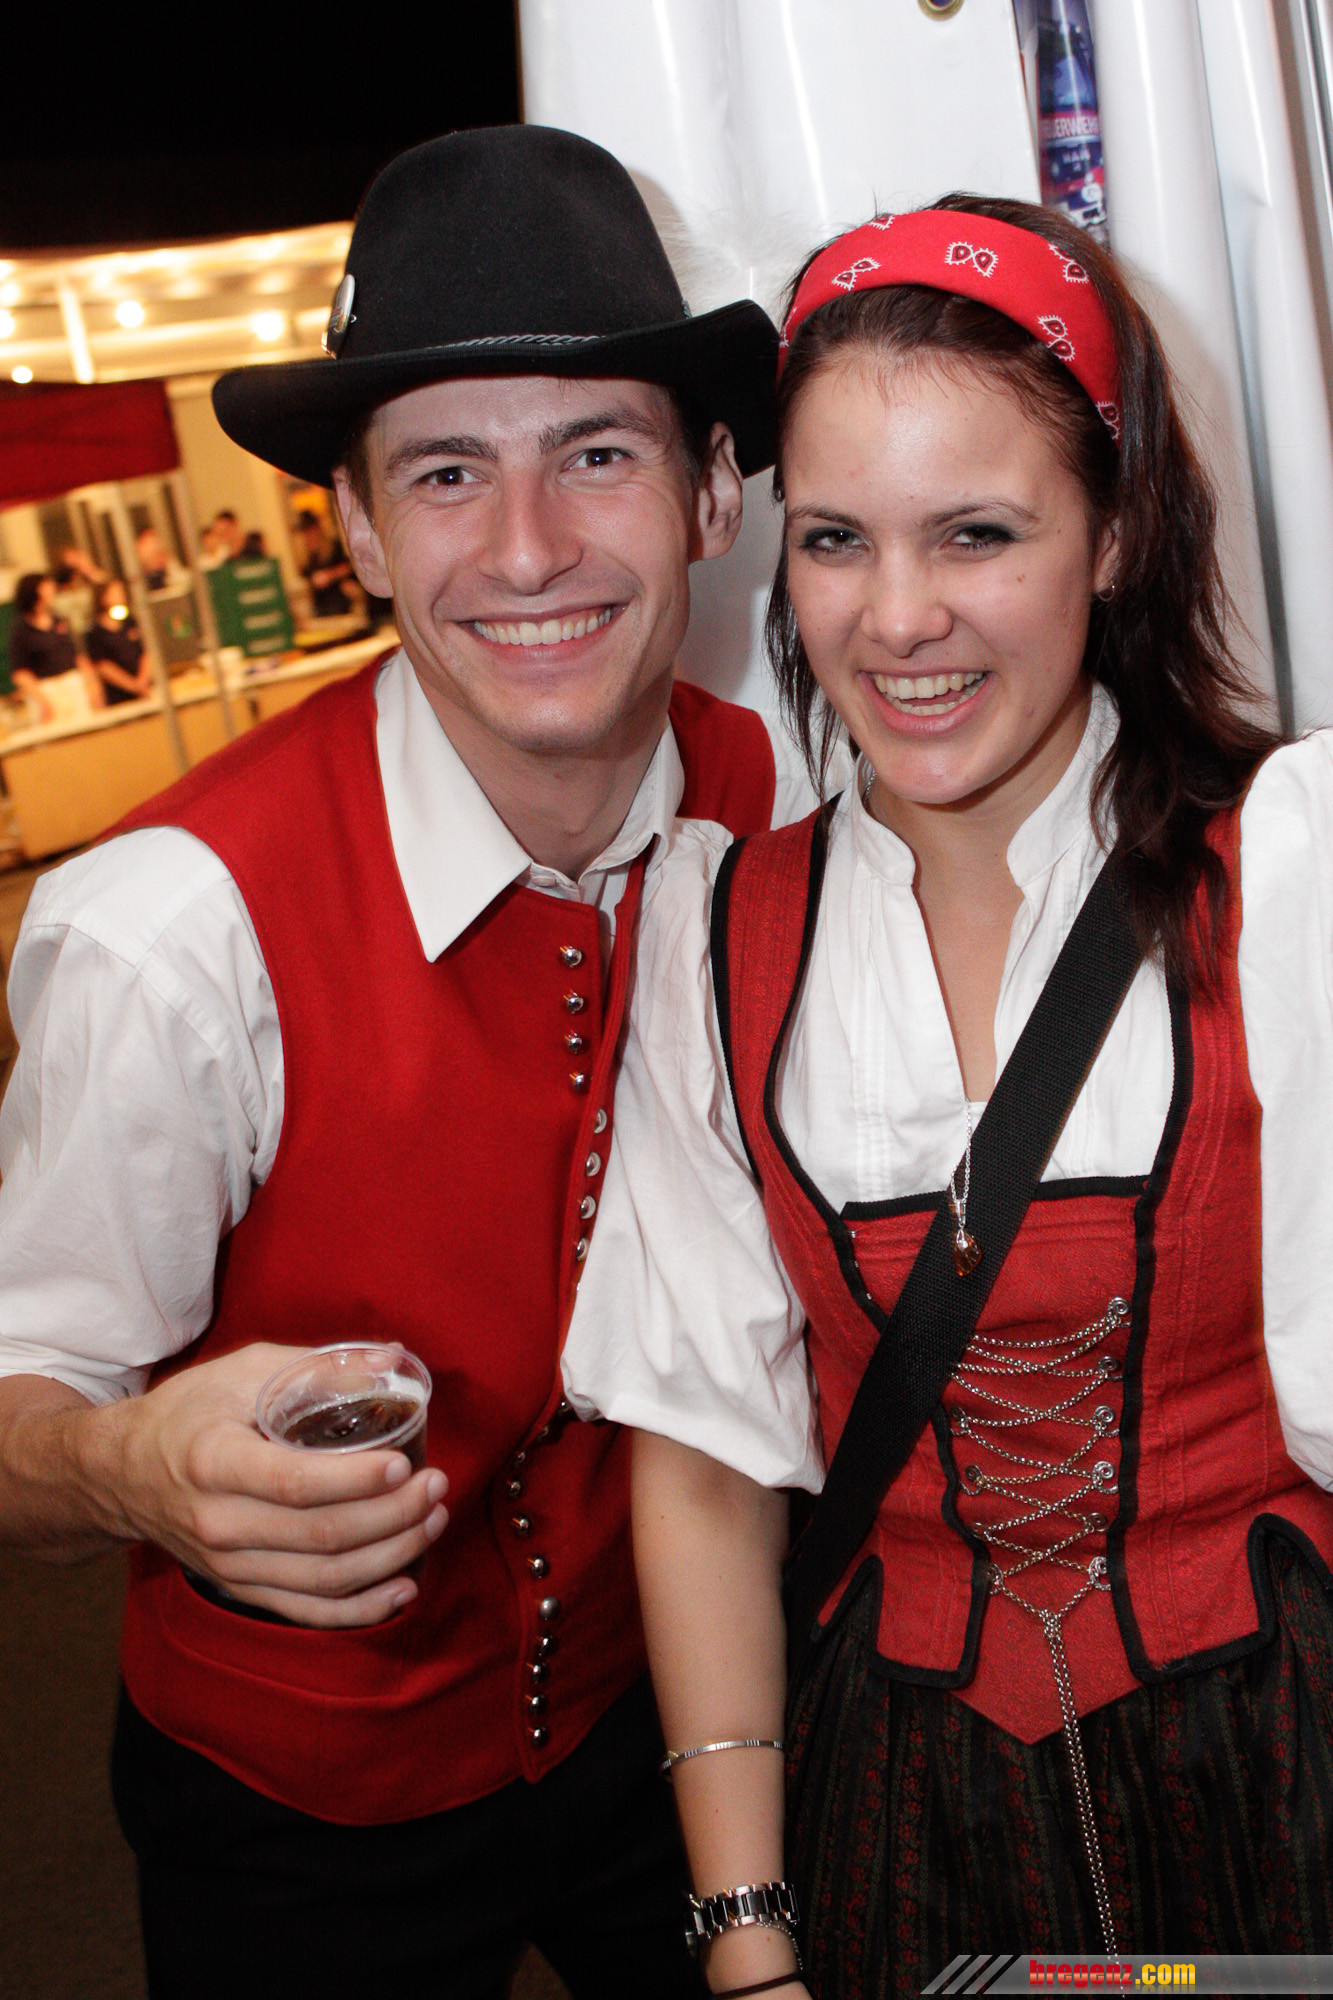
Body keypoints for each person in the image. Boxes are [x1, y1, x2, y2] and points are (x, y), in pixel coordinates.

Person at [0, 126, 818, 2000]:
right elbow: (14, 1402)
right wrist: (126, 1464)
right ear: (359, 533)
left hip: (668, 1713)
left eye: (595, 453)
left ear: (712, 492)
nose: (525, 548)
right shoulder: (173, 928)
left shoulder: (783, 798)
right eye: (445, 473)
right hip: (289, 1813)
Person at [562, 195, 1333, 1997]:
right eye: (835, 540)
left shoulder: (1292, 870)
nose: (897, 619)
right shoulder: (712, 937)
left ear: (1114, 532)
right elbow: (703, 1472)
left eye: (975, 532)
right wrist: (747, 1941)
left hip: (1284, 1767)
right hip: (910, 1810)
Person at [8, 571, 104, 720]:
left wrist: (93, 684)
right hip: (47, 690)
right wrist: (42, 700)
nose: (52, 590)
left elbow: (78, 655)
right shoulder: (21, 631)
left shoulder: (59, 621)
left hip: (73, 685)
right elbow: (20, 672)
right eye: (46, 587)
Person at [83, 578, 154, 704]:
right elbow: (102, 665)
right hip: (117, 695)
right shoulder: (95, 632)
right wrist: (133, 686)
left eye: (121, 592)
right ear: (103, 597)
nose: (121, 596)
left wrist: (142, 681)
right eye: (115, 593)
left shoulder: (130, 621)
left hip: (146, 687)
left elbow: (145, 652)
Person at [294, 505, 355, 616]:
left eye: (312, 530)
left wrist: (329, 575)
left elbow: (348, 567)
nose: (310, 535)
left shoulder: (333, 546)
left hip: (339, 600)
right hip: (319, 605)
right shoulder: (306, 556)